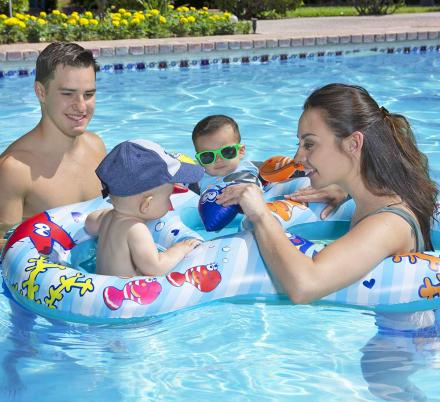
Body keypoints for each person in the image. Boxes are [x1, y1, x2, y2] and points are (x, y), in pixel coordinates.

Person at [217, 83, 438, 331]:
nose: (298, 157)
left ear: (354, 144)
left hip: (408, 348)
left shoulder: (388, 224)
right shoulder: (376, 195)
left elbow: (304, 286)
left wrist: (259, 214)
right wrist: (343, 188)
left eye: (309, 144)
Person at [0, 42, 106, 230]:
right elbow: (4, 244)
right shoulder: (15, 170)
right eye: (68, 94)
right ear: (41, 92)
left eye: (88, 94)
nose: (81, 107)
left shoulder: (96, 147)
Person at [85, 139, 204, 277]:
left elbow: (90, 223)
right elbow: (155, 268)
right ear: (146, 205)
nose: (169, 202)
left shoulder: (107, 217)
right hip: (125, 294)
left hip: (101, 284)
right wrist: (180, 249)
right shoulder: (136, 229)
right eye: (167, 198)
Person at [192, 115, 260, 195]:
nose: (218, 160)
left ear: (241, 151)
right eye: (207, 156)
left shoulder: (250, 167)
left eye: (226, 152)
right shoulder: (197, 177)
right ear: (200, 160)